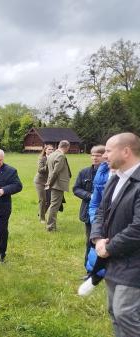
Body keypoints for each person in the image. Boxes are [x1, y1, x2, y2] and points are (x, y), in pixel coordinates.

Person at [90, 132, 140, 337]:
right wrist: (97, 238)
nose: (104, 155)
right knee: (115, 313)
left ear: (126, 151)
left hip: (134, 263)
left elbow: (138, 227)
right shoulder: (115, 178)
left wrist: (108, 248)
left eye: (109, 151)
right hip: (113, 260)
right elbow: (101, 211)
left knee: (125, 313)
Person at [73, 145, 105, 266]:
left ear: (105, 156)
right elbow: (76, 189)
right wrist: (90, 196)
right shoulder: (84, 172)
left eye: (98, 155)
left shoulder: (111, 173)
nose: (95, 158)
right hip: (89, 212)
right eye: (93, 155)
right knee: (90, 241)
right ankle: (89, 267)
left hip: (107, 212)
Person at [45, 140, 72, 232]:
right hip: (57, 184)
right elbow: (56, 172)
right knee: (54, 205)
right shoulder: (60, 155)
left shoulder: (51, 154)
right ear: (67, 147)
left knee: (53, 205)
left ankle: (50, 225)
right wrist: (50, 184)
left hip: (53, 183)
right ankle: (51, 227)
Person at [34, 144, 54, 223]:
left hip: (49, 182)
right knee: (43, 199)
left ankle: (41, 213)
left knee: (49, 200)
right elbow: (40, 170)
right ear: (45, 150)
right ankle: (42, 218)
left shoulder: (55, 159)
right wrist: (48, 163)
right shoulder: (42, 159)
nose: (51, 151)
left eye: (52, 149)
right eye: (49, 149)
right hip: (39, 181)